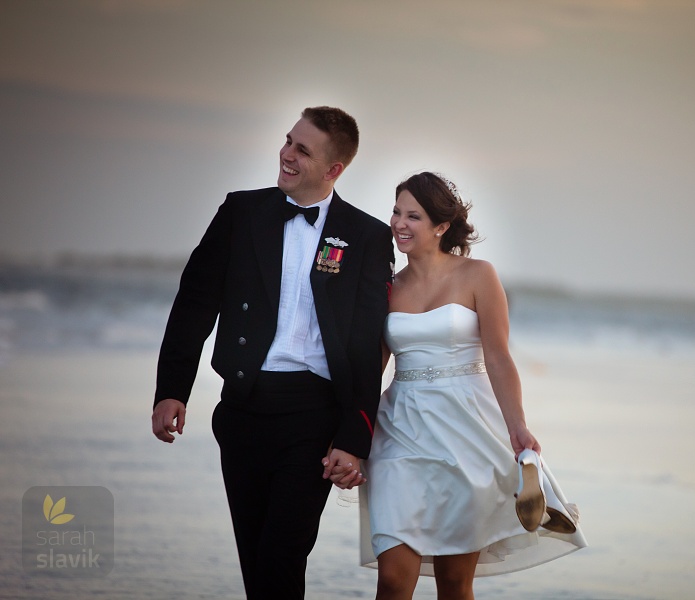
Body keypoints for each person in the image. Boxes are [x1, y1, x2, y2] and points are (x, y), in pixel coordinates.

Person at [151, 106, 394, 599]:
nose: (286, 154)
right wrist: (172, 389)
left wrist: (354, 435)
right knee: (255, 555)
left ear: (333, 170)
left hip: (313, 418)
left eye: (302, 150)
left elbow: (369, 346)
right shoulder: (241, 212)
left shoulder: (366, 236)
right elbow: (195, 301)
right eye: (288, 141)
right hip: (242, 408)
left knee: (283, 552)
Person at [360, 172, 587, 600]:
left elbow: (499, 357)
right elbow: (372, 367)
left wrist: (518, 427)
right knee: (391, 579)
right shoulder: (386, 286)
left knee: (454, 582)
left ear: (441, 227)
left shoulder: (479, 275)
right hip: (399, 431)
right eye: (396, 212)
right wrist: (348, 433)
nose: (399, 224)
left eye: (414, 216)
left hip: (467, 432)